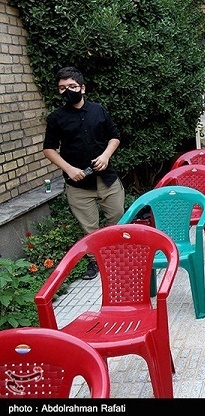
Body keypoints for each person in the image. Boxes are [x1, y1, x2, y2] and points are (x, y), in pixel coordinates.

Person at [43, 66, 125, 280]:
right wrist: (69, 169)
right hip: (78, 183)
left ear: (82, 88)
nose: (67, 91)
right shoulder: (56, 118)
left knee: (117, 217)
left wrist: (106, 156)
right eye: (62, 88)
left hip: (106, 178)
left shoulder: (98, 110)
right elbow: (49, 148)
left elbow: (114, 136)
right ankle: (95, 261)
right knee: (89, 228)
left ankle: (116, 254)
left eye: (72, 86)